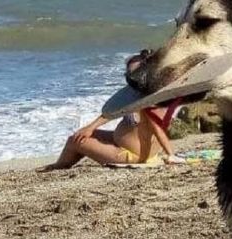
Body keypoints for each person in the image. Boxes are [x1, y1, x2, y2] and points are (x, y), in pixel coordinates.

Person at [37, 54, 184, 172]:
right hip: (128, 146)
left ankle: (59, 166)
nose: (132, 77)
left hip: (133, 156)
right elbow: (113, 110)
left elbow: (157, 129)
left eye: (135, 73)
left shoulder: (151, 101)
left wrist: (170, 154)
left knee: (74, 141)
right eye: (129, 74)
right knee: (83, 134)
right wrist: (91, 127)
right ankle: (63, 163)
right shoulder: (140, 94)